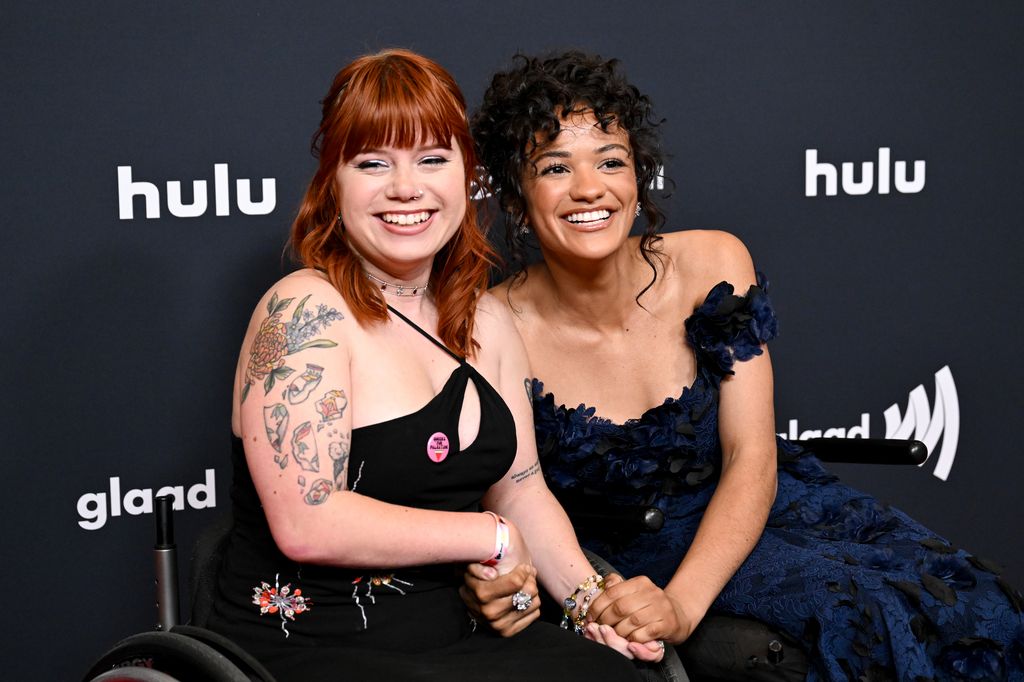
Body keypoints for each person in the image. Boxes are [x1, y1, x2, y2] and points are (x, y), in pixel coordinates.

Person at [469, 50, 1024, 681]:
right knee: (846, 625)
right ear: (516, 192)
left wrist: (683, 604)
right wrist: (600, 598)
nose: (589, 188)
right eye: (555, 167)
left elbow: (750, 456)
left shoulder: (713, 264)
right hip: (621, 557)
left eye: (610, 161)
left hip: (759, 517)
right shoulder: (492, 323)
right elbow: (521, 493)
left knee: (970, 605)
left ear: (637, 174)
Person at [204, 49, 653, 682]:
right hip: (311, 647)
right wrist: (487, 537)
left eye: (432, 160)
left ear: (465, 175)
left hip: (459, 636)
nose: (406, 188)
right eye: (373, 163)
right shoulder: (304, 311)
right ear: (333, 182)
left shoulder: (486, 320)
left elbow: (521, 488)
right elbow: (308, 522)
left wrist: (590, 605)